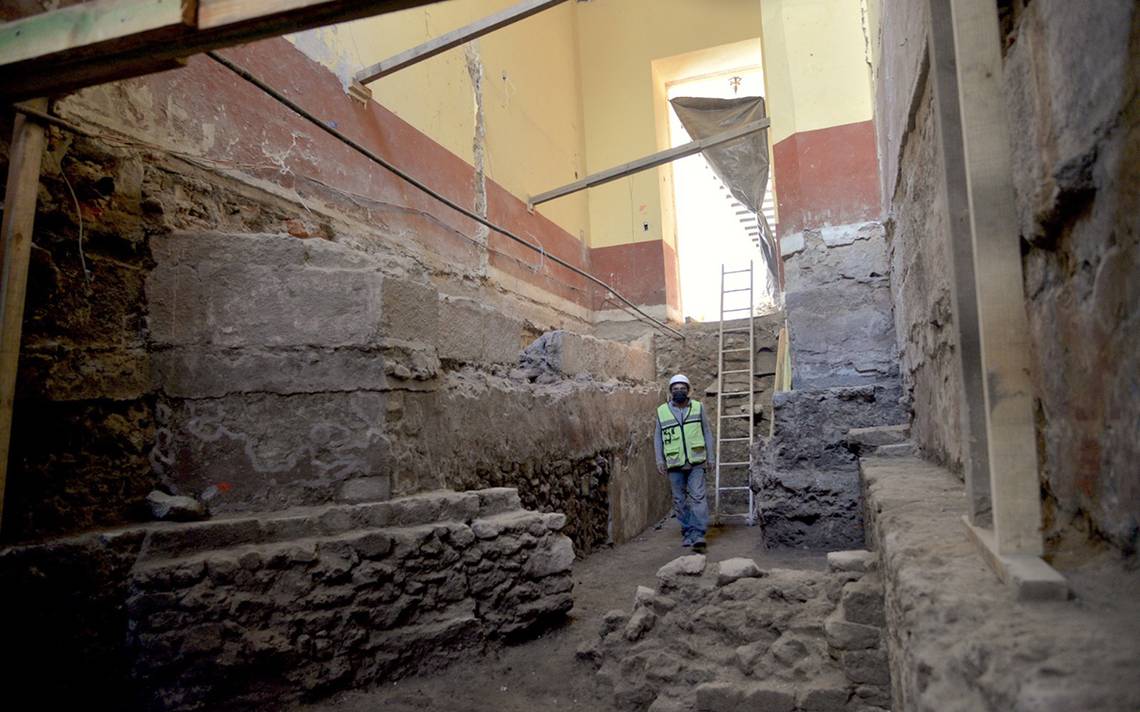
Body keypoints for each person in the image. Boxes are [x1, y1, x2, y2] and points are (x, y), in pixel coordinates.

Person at [654, 373, 715, 552]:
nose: (679, 391)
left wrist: (711, 457)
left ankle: (698, 534)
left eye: (682, 389)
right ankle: (688, 532)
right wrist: (659, 460)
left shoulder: (698, 407)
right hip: (674, 463)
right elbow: (657, 437)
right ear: (671, 392)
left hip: (696, 461)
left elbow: (707, 432)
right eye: (675, 389)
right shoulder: (662, 411)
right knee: (679, 501)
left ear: (688, 391)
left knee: (698, 498)